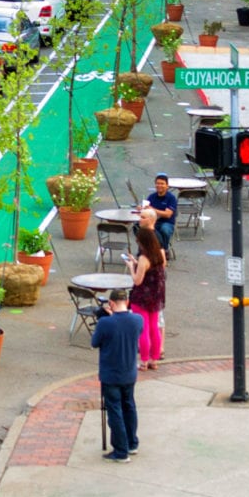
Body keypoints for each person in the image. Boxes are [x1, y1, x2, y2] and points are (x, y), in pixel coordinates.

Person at [90, 288, 143, 463]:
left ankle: (120, 451)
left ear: (111, 303)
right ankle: (131, 443)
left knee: (115, 411)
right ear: (127, 302)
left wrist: (106, 317)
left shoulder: (106, 323)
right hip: (129, 373)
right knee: (129, 407)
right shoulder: (137, 320)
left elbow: (95, 342)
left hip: (110, 374)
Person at [128, 225, 167, 371]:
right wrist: (137, 263)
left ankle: (144, 361)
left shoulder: (144, 258)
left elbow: (137, 280)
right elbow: (152, 271)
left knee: (143, 329)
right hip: (155, 297)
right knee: (154, 328)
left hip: (142, 297)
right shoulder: (158, 254)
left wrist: (132, 267)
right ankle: (154, 360)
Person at [144, 174, 178, 252]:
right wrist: (142, 209)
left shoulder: (171, 198)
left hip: (167, 222)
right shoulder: (151, 197)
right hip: (153, 221)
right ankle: (146, 249)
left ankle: (164, 249)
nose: (159, 185)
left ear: (167, 186)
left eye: (162, 184)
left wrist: (153, 209)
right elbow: (146, 210)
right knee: (138, 227)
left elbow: (167, 214)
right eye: (157, 183)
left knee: (164, 229)